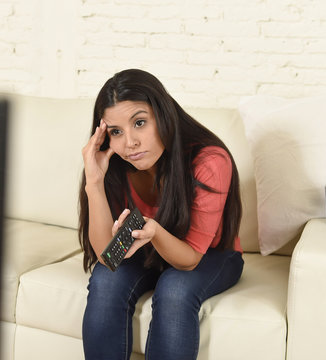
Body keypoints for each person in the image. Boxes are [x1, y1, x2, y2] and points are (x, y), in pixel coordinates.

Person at [78, 69, 244, 360]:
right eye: (116, 132)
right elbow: (108, 256)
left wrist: (154, 231)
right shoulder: (116, 164)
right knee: (105, 279)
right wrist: (94, 182)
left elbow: (190, 258)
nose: (129, 142)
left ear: (163, 115)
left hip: (211, 254)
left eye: (139, 123)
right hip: (149, 247)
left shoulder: (210, 161)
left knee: (175, 289)